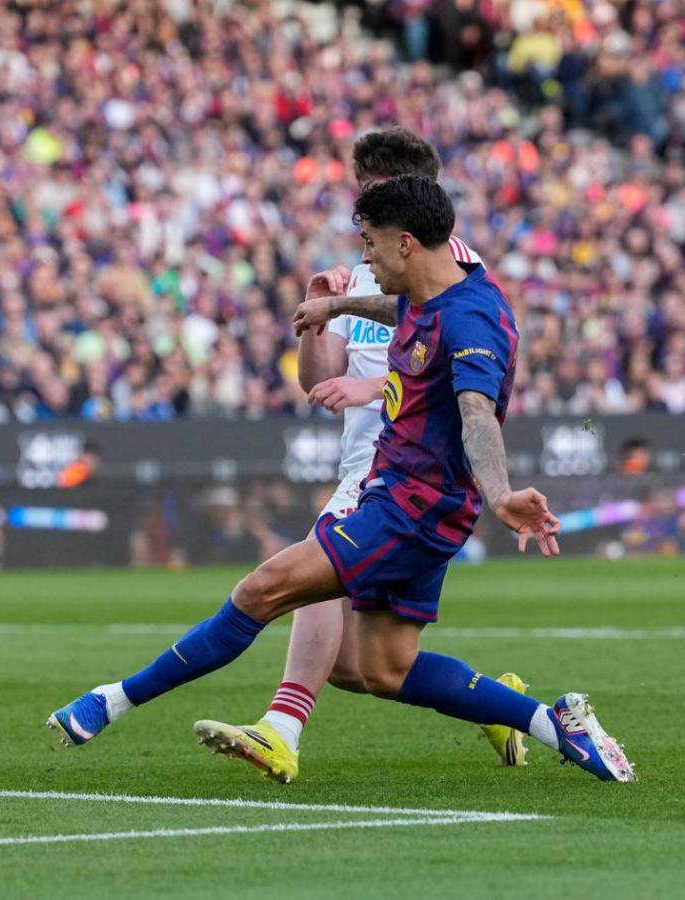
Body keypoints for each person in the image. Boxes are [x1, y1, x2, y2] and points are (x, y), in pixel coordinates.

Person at [47, 175, 635, 785]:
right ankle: (551, 721)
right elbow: (402, 309)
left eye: (371, 245)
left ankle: (112, 700)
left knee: (261, 591)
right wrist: (338, 306)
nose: (366, 260)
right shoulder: (437, 292)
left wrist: (503, 494)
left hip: (410, 508)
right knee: (377, 669)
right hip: (414, 502)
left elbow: (477, 416)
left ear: (406, 243)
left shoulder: (473, 324)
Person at [195, 128, 527, 784]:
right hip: (361, 459)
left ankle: (280, 731)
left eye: (373, 195)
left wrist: (373, 386)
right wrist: (322, 316)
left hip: (408, 463)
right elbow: (317, 377)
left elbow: (453, 362)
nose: (362, 212)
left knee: (305, 575)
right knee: (361, 670)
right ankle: (503, 704)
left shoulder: (455, 265)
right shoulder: (363, 268)